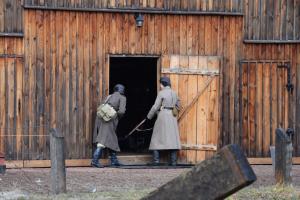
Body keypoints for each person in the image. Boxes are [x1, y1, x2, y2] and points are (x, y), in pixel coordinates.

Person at [146, 77, 181, 166]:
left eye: (160, 84)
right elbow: (178, 105)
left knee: (156, 137)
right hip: (172, 117)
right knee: (172, 139)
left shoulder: (161, 93)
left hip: (163, 115)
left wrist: (149, 116)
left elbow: (155, 106)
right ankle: (173, 161)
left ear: (162, 84)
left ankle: (156, 161)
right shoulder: (174, 93)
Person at [91, 84, 126, 168]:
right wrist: (116, 117)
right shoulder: (122, 97)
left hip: (101, 119)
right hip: (109, 120)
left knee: (112, 139)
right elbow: (121, 111)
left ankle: (114, 161)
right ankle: (94, 161)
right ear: (122, 90)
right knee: (103, 140)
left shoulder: (109, 96)